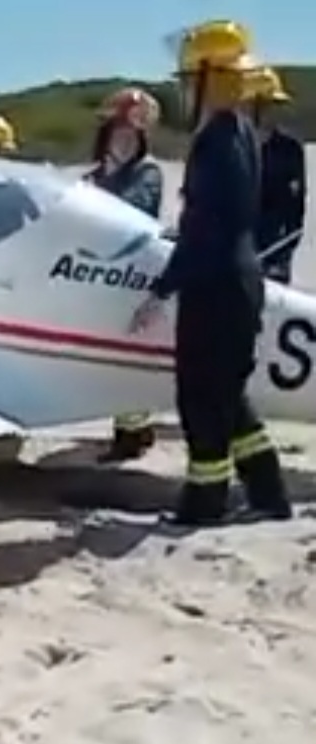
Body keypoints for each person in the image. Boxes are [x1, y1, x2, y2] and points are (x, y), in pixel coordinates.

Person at [129, 20, 292, 527]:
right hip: (240, 281)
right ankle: (269, 494)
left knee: (201, 400)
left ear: (208, 80)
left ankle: (204, 503)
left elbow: (204, 228)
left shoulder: (214, 142)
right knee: (229, 397)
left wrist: (162, 288)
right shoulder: (242, 133)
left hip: (216, 288)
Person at [85, 87, 164, 462]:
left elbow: (133, 210)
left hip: (134, 272)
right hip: (99, 274)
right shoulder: (94, 178)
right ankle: (135, 426)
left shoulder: (147, 174)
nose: (124, 141)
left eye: (132, 135)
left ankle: (131, 434)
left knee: (126, 349)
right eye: (119, 133)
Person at [243, 66, 306, 284]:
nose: (275, 111)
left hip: (271, 256)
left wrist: (281, 258)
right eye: (269, 105)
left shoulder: (290, 149)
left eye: (277, 105)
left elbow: (295, 211)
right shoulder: (231, 146)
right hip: (233, 256)